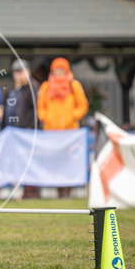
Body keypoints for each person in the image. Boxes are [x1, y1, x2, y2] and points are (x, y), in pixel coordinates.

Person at [37, 57, 89, 198]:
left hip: (70, 133)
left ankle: (67, 191)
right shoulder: (46, 86)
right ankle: (58, 191)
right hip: (51, 133)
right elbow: (41, 106)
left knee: (68, 162)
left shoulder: (74, 85)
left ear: (66, 70)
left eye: (61, 70)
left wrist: (72, 116)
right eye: (56, 70)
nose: (59, 72)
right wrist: (45, 117)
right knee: (55, 162)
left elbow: (83, 105)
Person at [2, 58, 42, 199]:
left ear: (28, 72)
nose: (18, 75)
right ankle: (17, 191)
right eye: (16, 72)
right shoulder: (12, 89)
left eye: (21, 71)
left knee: (28, 163)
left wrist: (31, 129)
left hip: (26, 133)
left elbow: (36, 112)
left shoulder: (33, 87)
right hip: (11, 133)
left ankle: (31, 192)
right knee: (15, 162)